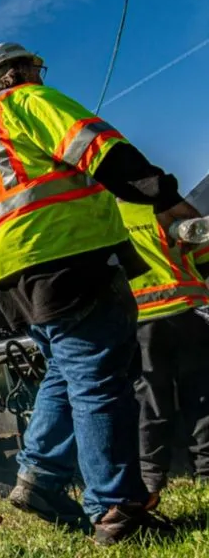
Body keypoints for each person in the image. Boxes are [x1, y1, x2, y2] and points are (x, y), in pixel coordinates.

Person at [0, 41, 198, 545]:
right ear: (18, 72)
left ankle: (40, 477)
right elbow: (98, 149)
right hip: (66, 254)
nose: (38, 76)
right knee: (100, 377)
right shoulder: (25, 103)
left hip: (7, 277)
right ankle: (115, 510)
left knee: (67, 367)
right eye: (35, 69)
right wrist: (164, 197)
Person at [118, 200, 209, 507]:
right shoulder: (166, 207)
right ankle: (207, 473)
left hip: (142, 319)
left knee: (152, 402)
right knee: (201, 396)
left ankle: (151, 480)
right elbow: (203, 253)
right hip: (188, 310)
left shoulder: (103, 217)